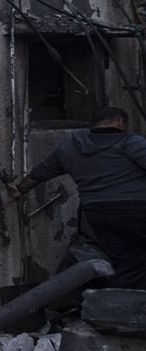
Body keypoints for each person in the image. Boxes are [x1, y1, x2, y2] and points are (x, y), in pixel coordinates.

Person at [9, 106, 146, 288]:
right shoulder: (130, 142)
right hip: (137, 209)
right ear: (120, 121)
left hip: (99, 214)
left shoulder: (70, 148)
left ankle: (124, 308)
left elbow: (39, 173)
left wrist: (19, 189)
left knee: (126, 264)